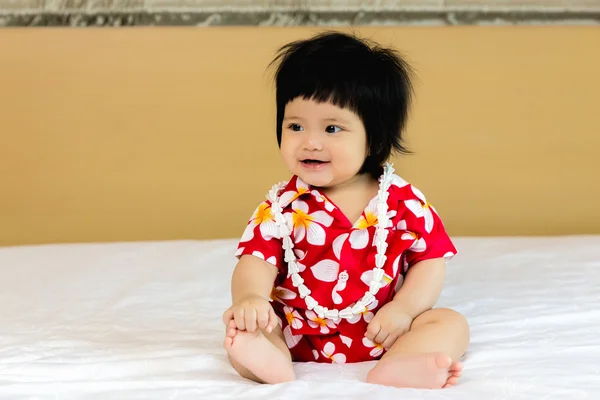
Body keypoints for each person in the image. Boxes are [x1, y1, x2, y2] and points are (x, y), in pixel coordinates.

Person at [222, 31, 470, 389]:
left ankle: (403, 363)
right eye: (295, 126)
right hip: (297, 332)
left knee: (450, 323)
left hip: (386, 331)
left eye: (332, 128)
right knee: (242, 329)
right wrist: (250, 298)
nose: (310, 141)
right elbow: (256, 260)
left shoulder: (401, 201)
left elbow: (429, 261)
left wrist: (405, 310)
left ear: (376, 139)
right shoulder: (281, 206)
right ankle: (269, 359)